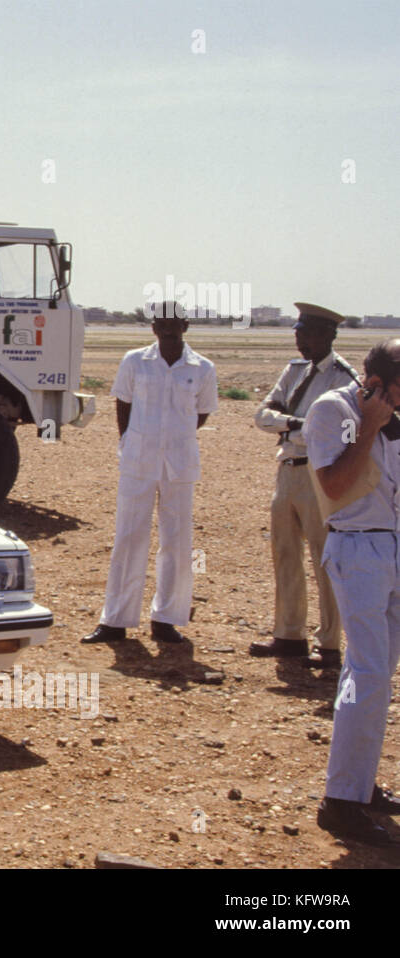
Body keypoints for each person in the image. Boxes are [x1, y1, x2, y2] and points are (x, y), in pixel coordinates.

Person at [304, 339, 400, 845]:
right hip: (358, 551)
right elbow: (336, 486)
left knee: (376, 675)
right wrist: (369, 428)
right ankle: (341, 802)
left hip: (395, 549)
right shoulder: (332, 410)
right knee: (367, 674)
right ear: (377, 385)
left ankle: (358, 786)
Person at [83, 303, 219, 645]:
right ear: (153, 327)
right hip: (138, 462)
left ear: (186, 326)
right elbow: (123, 404)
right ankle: (115, 620)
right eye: (163, 324)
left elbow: (201, 414)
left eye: (176, 325)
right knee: (129, 537)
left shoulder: (202, 368)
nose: (169, 330)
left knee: (176, 541)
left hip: (179, 464)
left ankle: (166, 619)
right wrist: (131, 441)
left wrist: (173, 438)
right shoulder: (134, 361)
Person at [250, 304, 357, 666]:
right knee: (285, 553)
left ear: (329, 335)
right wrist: (300, 425)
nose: (301, 340)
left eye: (308, 333)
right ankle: (289, 634)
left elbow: (337, 434)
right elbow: (263, 417)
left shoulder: (344, 379)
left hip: (319, 473)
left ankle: (329, 643)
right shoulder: (293, 371)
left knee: (326, 558)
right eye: (298, 332)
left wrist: (290, 426)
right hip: (288, 469)